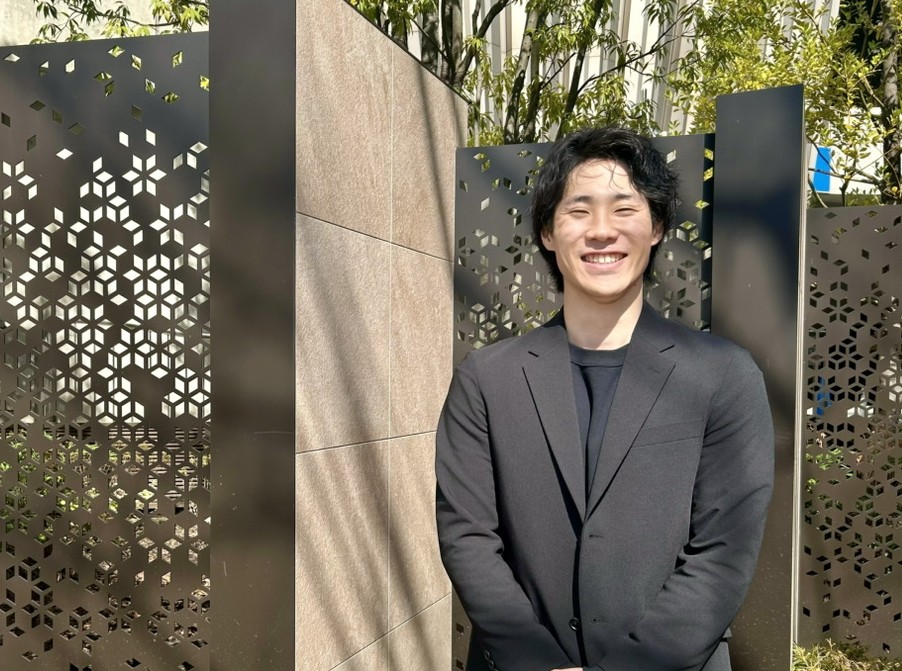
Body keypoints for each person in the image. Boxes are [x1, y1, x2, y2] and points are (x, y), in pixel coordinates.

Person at [435, 127, 774, 671]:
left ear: (656, 226)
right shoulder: (487, 378)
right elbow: (467, 535)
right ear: (548, 232)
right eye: (578, 210)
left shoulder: (722, 375)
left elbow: (724, 549)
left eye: (624, 209)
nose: (601, 231)